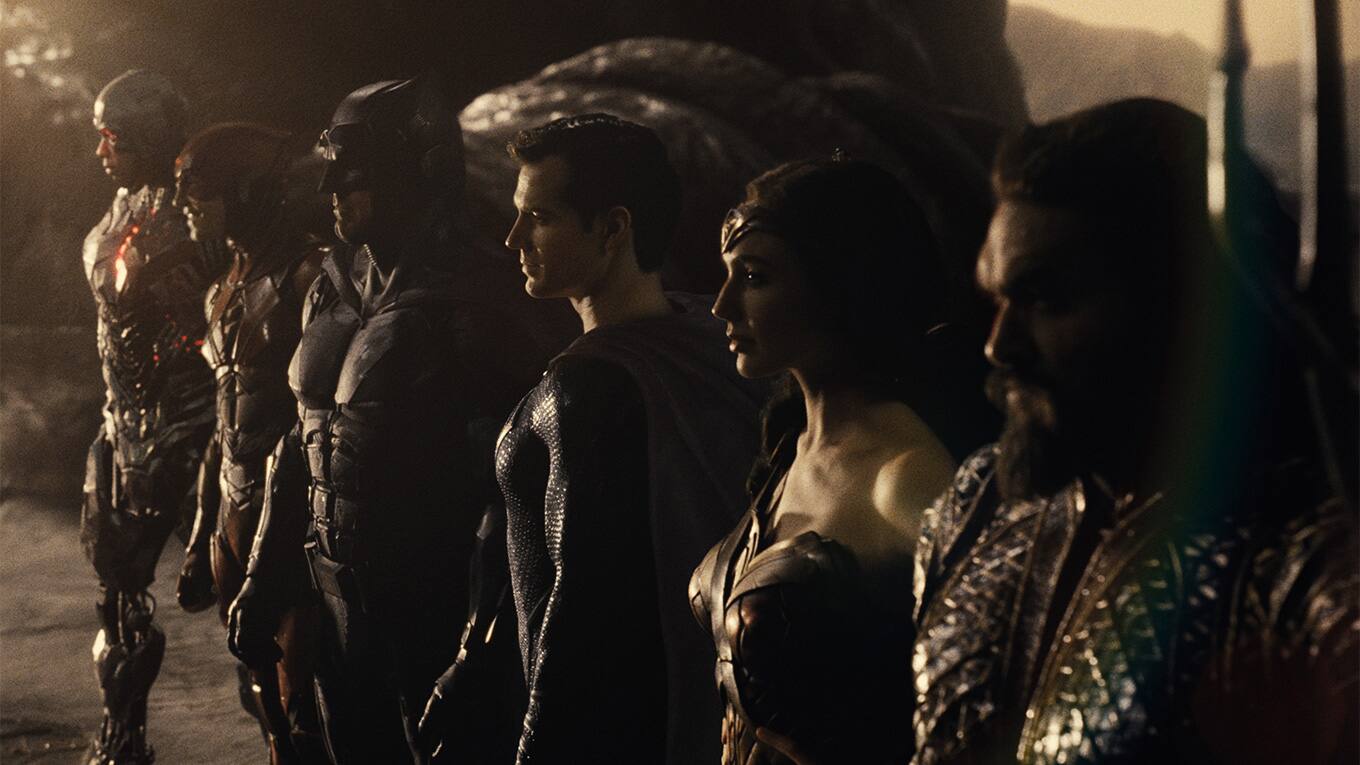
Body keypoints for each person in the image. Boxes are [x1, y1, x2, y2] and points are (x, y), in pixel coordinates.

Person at [912, 99, 1358, 764]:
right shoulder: (975, 506)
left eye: (1046, 300)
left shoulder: (1308, 565)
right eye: (995, 299)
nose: (998, 345)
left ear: (1185, 304)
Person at [224, 76, 541, 763]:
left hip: (435, 610)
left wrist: (478, 647)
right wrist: (263, 576)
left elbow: (516, 489)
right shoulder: (329, 286)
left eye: (353, 169)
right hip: (337, 605)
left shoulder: (478, 296)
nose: (329, 186)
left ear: (414, 172)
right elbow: (299, 442)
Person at [433, 113, 765, 764]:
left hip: (606, 729)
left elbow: (576, 612)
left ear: (613, 229)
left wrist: (534, 746)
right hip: (685, 706)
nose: (513, 238)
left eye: (540, 217)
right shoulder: (709, 338)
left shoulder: (584, 392)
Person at [689, 157, 981, 765]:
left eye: (754, 277)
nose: (721, 305)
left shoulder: (905, 474)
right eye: (727, 274)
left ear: (839, 283)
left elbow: (997, 693)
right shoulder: (790, 452)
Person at [171, 121, 330, 762]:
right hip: (234, 519)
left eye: (197, 188)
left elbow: (313, 427)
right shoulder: (221, 289)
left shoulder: (311, 278)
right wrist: (199, 538)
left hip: (296, 526)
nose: (184, 203)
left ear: (245, 189)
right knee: (261, 699)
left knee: (307, 707)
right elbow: (224, 426)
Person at [78, 69, 223, 765]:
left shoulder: (199, 215)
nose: (102, 151)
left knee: (246, 594)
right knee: (117, 590)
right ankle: (122, 737)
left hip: (197, 425)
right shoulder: (121, 208)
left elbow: (219, 322)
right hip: (126, 423)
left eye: (114, 137)